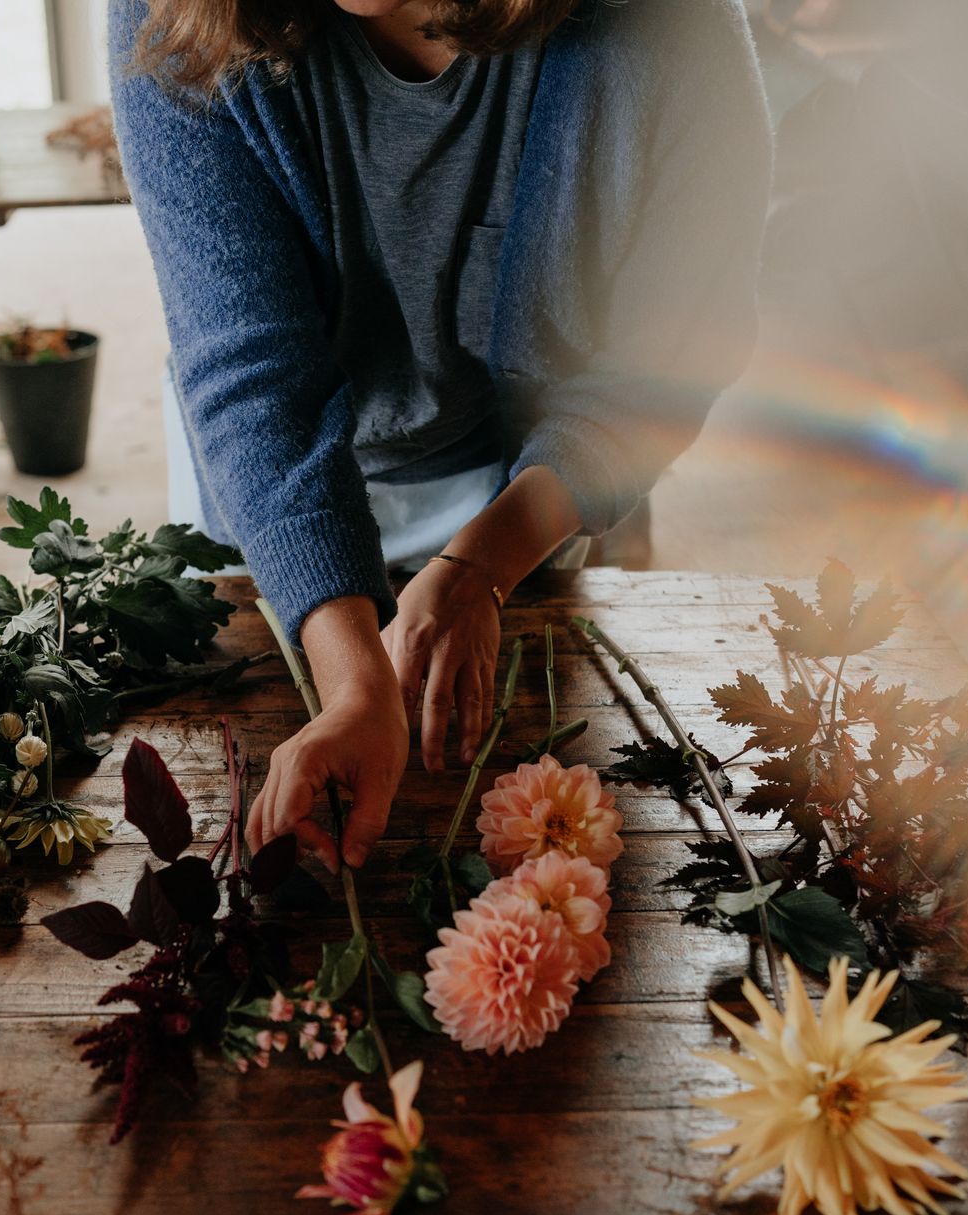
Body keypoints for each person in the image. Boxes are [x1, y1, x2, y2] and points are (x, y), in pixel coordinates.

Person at [111, 0, 773, 870]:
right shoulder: (180, 13)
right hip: (272, 477)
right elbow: (252, 380)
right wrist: (353, 687)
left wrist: (481, 572)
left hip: (521, 475)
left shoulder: (671, 30)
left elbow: (658, 369)